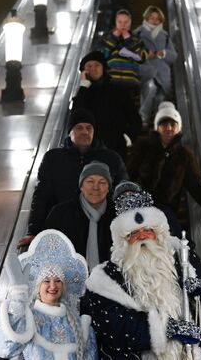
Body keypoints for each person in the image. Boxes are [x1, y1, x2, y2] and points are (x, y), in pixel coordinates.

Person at [80, 188, 201, 359]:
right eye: (134, 233)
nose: (142, 237)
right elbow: (114, 329)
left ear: (158, 233)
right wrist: (168, 329)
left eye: (147, 230)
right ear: (123, 240)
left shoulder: (180, 258)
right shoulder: (105, 278)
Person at [20, 108, 127, 246]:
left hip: (103, 228)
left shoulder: (111, 158)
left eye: (89, 128)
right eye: (79, 128)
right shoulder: (53, 158)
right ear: (70, 131)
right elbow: (42, 195)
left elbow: (123, 191)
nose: (85, 132)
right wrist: (33, 230)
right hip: (64, 227)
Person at [0, 230, 97, 360]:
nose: (53, 286)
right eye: (46, 281)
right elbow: (4, 348)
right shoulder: (25, 318)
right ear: (38, 287)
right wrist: (18, 294)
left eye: (58, 281)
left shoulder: (78, 323)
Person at [127, 101, 201, 213]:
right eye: (164, 125)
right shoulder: (143, 146)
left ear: (178, 128)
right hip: (139, 208)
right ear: (157, 128)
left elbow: (196, 184)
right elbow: (129, 173)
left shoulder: (184, 155)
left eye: (173, 125)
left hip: (165, 212)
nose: (169, 128)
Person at [39, 161, 116, 269]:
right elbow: (46, 252)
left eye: (102, 182)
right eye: (90, 181)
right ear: (81, 186)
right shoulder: (60, 214)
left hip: (111, 283)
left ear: (108, 188)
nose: (96, 187)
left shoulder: (118, 215)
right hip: (69, 281)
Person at [72, 51, 141, 160]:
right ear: (83, 71)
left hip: (116, 147)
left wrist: (128, 137)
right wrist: (84, 86)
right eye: (89, 66)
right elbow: (75, 117)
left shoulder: (119, 91)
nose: (93, 68)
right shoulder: (83, 94)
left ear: (103, 68)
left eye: (97, 65)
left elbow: (135, 119)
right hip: (90, 150)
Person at [134, 6, 178, 125]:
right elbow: (130, 53)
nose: (154, 21)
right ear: (146, 18)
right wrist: (144, 55)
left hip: (162, 71)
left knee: (160, 97)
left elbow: (174, 55)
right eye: (152, 18)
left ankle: (157, 122)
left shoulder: (165, 35)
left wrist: (164, 53)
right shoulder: (137, 33)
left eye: (157, 19)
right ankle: (143, 119)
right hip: (146, 69)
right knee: (150, 87)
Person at [113, 180, 183, 239]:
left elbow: (179, 238)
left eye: (132, 195)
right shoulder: (118, 226)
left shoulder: (162, 212)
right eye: (123, 197)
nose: (129, 200)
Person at [100, 9, 147, 91]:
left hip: (131, 81)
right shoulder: (107, 37)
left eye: (126, 22)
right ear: (116, 22)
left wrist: (128, 40)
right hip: (111, 80)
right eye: (120, 22)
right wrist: (113, 38)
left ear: (130, 22)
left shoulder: (137, 39)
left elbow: (142, 58)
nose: (123, 25)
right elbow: (101, 56)